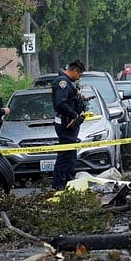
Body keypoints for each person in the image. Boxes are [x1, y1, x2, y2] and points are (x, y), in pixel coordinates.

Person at [51, 60, 86, 190]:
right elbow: (61, 104)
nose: (79, 78)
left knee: (70, 156)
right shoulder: (63, 82)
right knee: (65, 156)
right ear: (75, 70)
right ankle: (59, 185)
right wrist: (74, 115)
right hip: (66, 124)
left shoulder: (68, 83)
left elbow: (69, 100)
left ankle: (68, 183)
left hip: (70, 125)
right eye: (79, 75)